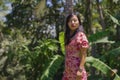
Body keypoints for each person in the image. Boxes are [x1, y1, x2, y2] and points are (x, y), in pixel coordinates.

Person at [62, 13, 89, 80]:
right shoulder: (68, 37)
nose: (72, 22)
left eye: (75, 20)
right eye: (70, 21)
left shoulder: (81, 35)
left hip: (77, 70)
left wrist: (80, 70)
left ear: (79, 22)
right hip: (68, 72)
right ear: (67, 23)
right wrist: (66, 69)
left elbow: (84, 54)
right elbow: (67, 54)